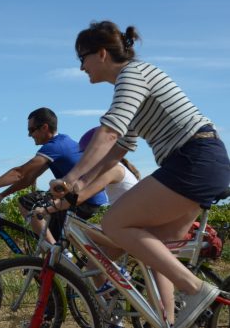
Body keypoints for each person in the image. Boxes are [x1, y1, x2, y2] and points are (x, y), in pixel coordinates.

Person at [50, 20, 230, 328]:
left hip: (193, 159)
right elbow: (119, 149)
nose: (81, 67)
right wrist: (78, 184)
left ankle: (196, 289)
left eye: (82, 57)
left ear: (102, 54)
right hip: (200, 160)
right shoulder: (135, 80)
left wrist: (69, 177)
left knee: (113, 223)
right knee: (152, 247)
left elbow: (108, 133)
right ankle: (169, 322)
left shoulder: (133, 75)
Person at [0, 107, 108, 247]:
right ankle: (53, 256)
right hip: (86, 198)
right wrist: (2, 195)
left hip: (83, 199)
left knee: (27, 203)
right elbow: (28, 179)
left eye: (31, 130)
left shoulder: (54, 147)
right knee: (46, 236)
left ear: (44, 127)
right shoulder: (62, 142)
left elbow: (19, 173)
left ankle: (55, 252)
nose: (29, 135)